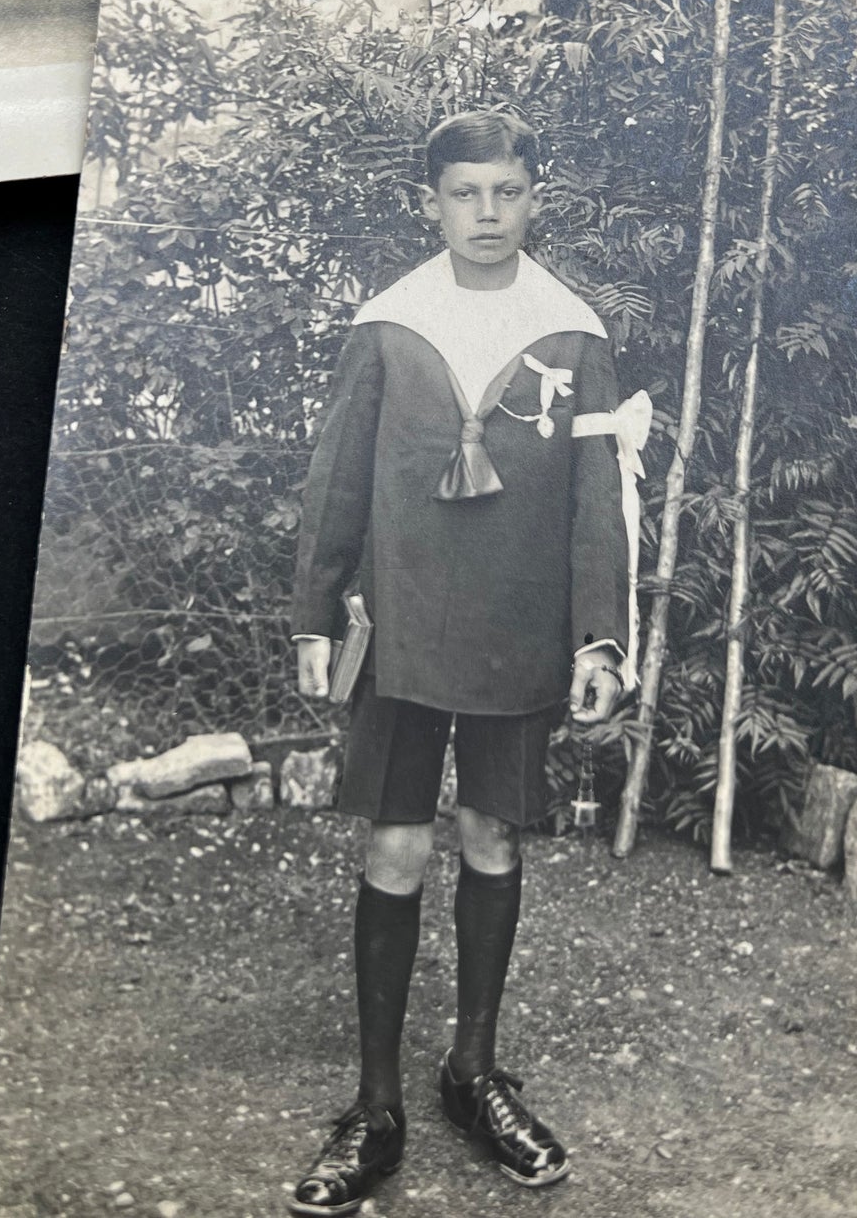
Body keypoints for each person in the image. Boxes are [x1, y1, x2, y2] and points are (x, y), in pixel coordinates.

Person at [286, 110, 644, 1214]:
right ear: (429, 200)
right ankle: (376, 1105)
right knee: (393, 848)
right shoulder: (390, 321)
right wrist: (312, 614)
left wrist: (600, 637)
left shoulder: (571, 330)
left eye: (507, 192)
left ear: (536, 195)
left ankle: (471, 1072)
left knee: (490, 833)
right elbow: (337, 478)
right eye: (464, 193)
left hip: (516, 631)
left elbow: (598, 503)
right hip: (399, 629)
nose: (486, 214)